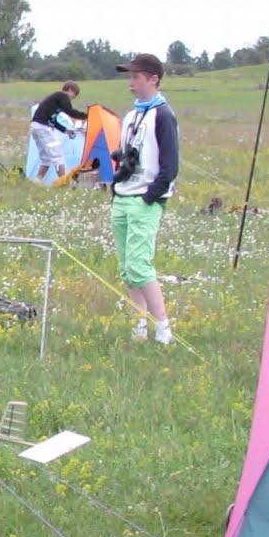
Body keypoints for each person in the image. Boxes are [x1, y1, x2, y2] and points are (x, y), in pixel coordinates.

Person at [111, 53, 178, 345]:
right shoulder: (130, 116)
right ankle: (138, 324)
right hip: (123, 195)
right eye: (130, 77)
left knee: (140, 265)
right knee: (127, 267)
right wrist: (115, 186)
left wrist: (151, 196)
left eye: (136, 77)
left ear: (153, 79)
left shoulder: (163, 115)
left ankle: (162, 327)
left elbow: (170, 165)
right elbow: (125, 154)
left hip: (145, 198)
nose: (131, 84)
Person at [31, 81, 88, 180]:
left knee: (46, 159)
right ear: (70, 90)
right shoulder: (62, 96)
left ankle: (37, 181)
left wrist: (66, 130)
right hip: (43, 127)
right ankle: (63, 183)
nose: (71, 99)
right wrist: (87, 116)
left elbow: (53, 121)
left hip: (36, 127)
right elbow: (69, 111)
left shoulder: (54, 101)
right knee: (58, 155)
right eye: (73, 96)